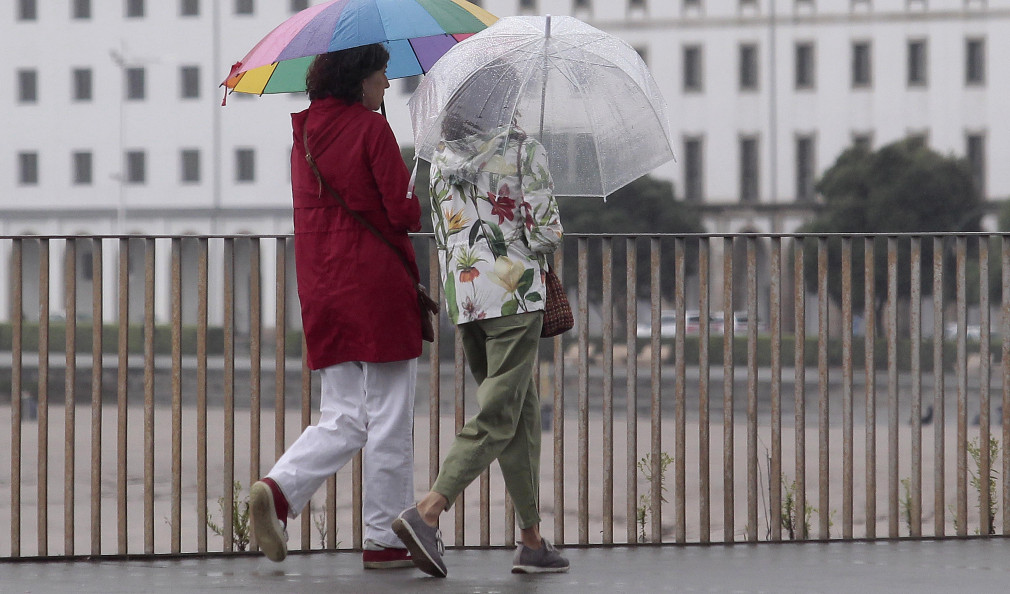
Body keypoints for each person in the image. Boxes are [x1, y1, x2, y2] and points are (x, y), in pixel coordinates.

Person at [248, 43, 423, 570]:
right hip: (378, 287)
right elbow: (401, 212)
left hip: (323, 288)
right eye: (382, 76)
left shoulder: (302, 136)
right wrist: (411, 181)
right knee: (390, 418)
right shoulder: (372, 130)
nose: (387, 86)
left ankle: (279, 491)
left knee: (345, 416)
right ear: (359, 80)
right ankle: (384, 538)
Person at [392, 96, 569, 576]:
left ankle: (531, 540)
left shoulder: (438, 161)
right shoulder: (522, 151)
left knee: (520, 413)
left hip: (467, 300)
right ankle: (428, 510)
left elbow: (446, 233)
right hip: (514, 297)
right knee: (498, 414)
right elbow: (545, 233)